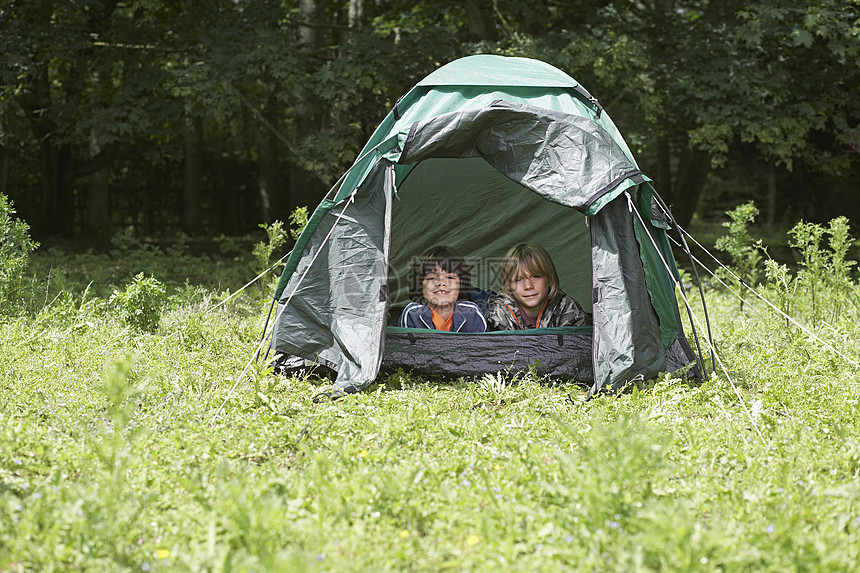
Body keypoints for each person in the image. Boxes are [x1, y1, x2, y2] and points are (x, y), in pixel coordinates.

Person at [486, 243, 589, 330]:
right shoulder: (498, 314)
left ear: (549, 278)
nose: (528, 286)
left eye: (535, 276)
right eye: (518, 280)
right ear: (508, 285)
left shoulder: (568, 309)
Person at [399, 246, 487, 332]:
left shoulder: (472, 313)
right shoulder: (412, 313)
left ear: (461, 284)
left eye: (450, 277)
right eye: (432, 278)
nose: (441, 283)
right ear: (420, 285)